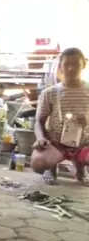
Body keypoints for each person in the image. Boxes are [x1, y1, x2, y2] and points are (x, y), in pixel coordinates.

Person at [31, 47, 89, 185]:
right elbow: (39, 121)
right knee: (38, 163)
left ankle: (80, 167)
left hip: (84, 144)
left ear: (84, 65)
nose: (71, 68)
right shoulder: (49, 93)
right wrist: (41, 139)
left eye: (76, 64)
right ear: (60, 67)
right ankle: (51, 167)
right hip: (57, 144)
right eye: (66, 64)